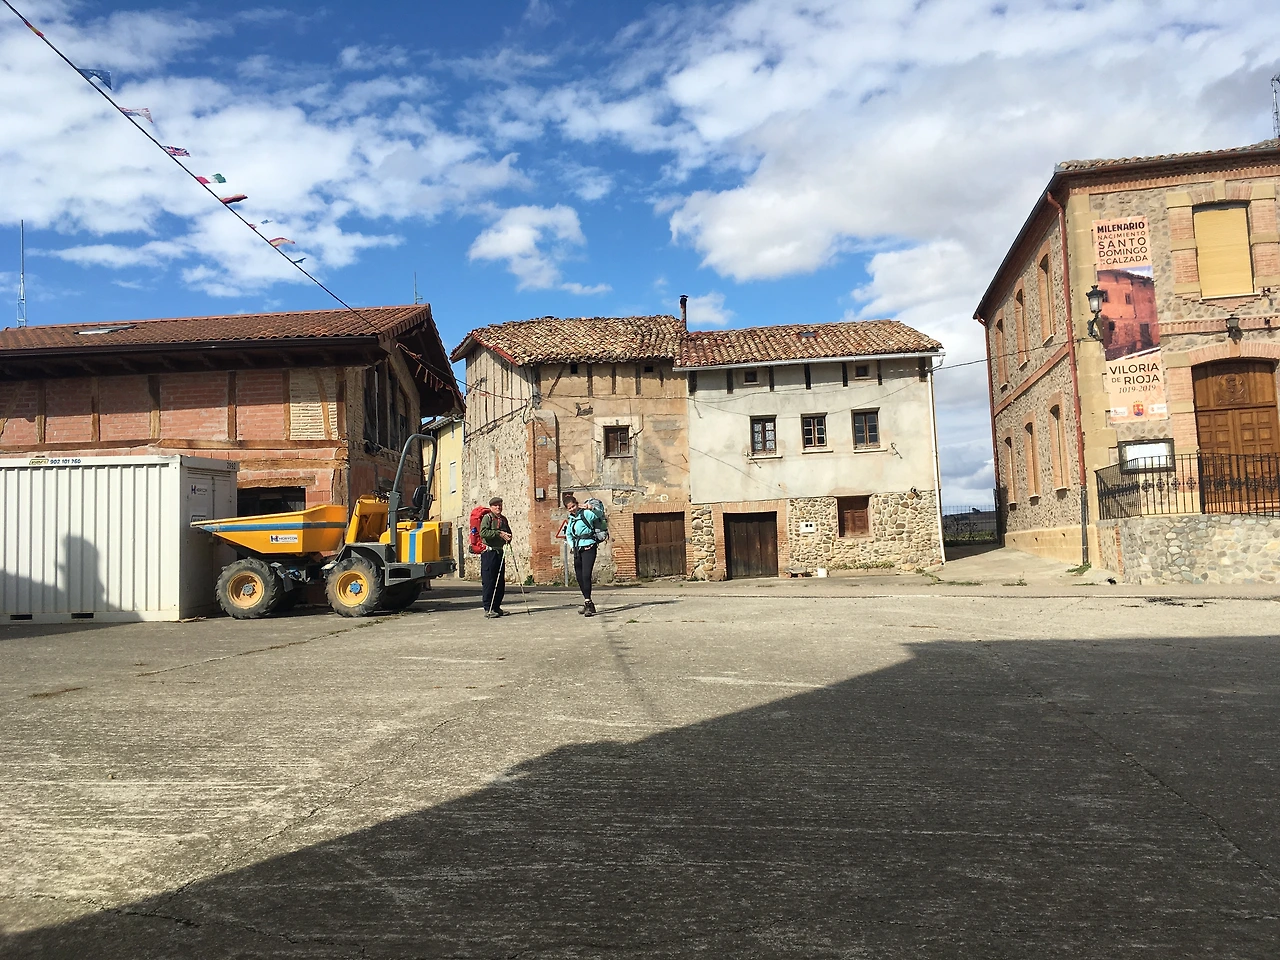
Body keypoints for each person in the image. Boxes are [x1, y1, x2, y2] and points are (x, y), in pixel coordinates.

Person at [564, 494, 603, 617]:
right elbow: (568, 534)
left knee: (586, 575)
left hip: (589, 547)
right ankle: (588, 602)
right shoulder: (571, 519)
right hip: (577, 549)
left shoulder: (586, 514)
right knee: (579, 577)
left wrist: (591, 507)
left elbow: (599, 514)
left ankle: (588, 603)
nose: (572, 509)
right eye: (569, 508)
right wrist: (572, 545)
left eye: (573, 506)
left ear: (577, 504)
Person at [479, 496, 512, 618]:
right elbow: (483, 533)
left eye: (500, 505)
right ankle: (488, 608)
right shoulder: (487, 518)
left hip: (500, 552)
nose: (498, 507)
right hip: (489, 553)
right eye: (495, 505)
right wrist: (498, 533)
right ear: (491, 507)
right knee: (489, 581)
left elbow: (508, 532)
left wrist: (508, 537)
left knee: (500, 581)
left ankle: (497, 607)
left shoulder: (503, 519)